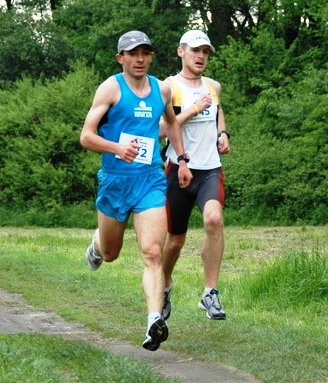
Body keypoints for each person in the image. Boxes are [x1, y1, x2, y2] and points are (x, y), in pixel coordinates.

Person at [80, 30, 192, 351]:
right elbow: (86, 136)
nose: (139, 59)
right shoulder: (111, 88)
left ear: (151, 56)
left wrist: (181, 159)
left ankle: (154, 321)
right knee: (111, 253)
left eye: (145, 53)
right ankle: (97, 245)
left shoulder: (162, 89)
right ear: (121, 58)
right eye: (132, 53)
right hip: (116, 180)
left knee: (153, 253)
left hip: (150, 179)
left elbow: (171, 123)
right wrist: (117, 147)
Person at [160, 30, 230, 321]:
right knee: (174, 241)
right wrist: (192, 109)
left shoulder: (213, 86)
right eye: (195, 51)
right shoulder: (168, 87)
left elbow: (218, 110)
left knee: (213, 219)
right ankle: (163, 286)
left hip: (210, 169)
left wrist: (222, 132)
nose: (201, 57)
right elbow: (162, 130)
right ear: (181, 52)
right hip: (178, 170)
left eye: (206, 52)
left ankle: (210, 293)